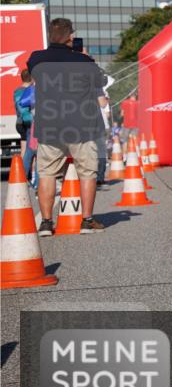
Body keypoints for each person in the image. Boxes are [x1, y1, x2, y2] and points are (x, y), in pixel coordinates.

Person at [27, 18, 107, 235]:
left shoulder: (36, 59)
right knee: (87, 172)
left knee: (47, 173)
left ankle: (45, 223)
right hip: (82, 126)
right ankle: (87, 221)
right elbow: (100, 82)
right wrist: (83, 57)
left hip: (50, 126)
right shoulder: (84, 62)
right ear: (70, 36)